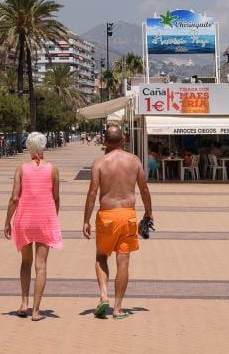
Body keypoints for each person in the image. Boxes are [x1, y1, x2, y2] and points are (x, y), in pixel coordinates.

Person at [83, 124, 153, 320]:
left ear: (104, 141)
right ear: (123, 140)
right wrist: (149, 212)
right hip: (128, 215)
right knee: (123, 262)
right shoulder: (134, 161)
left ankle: (103, 295)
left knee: (101, 257)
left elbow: (92, 193)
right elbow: (144, 189)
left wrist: (86, 220)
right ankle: (118, 308)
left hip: (107, 215)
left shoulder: (99, 163)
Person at [4, 131, 62, 321]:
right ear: (43, 147)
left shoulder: (21, 169)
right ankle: (36, 311)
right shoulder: (53, 169)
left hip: (25, 220)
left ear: (29, 148)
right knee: (41, 265)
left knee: (26, 262)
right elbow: (56, 197)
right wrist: (53, 217)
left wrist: (7, 221)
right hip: (45, 219)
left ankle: (24, 302)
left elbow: (14, 198)